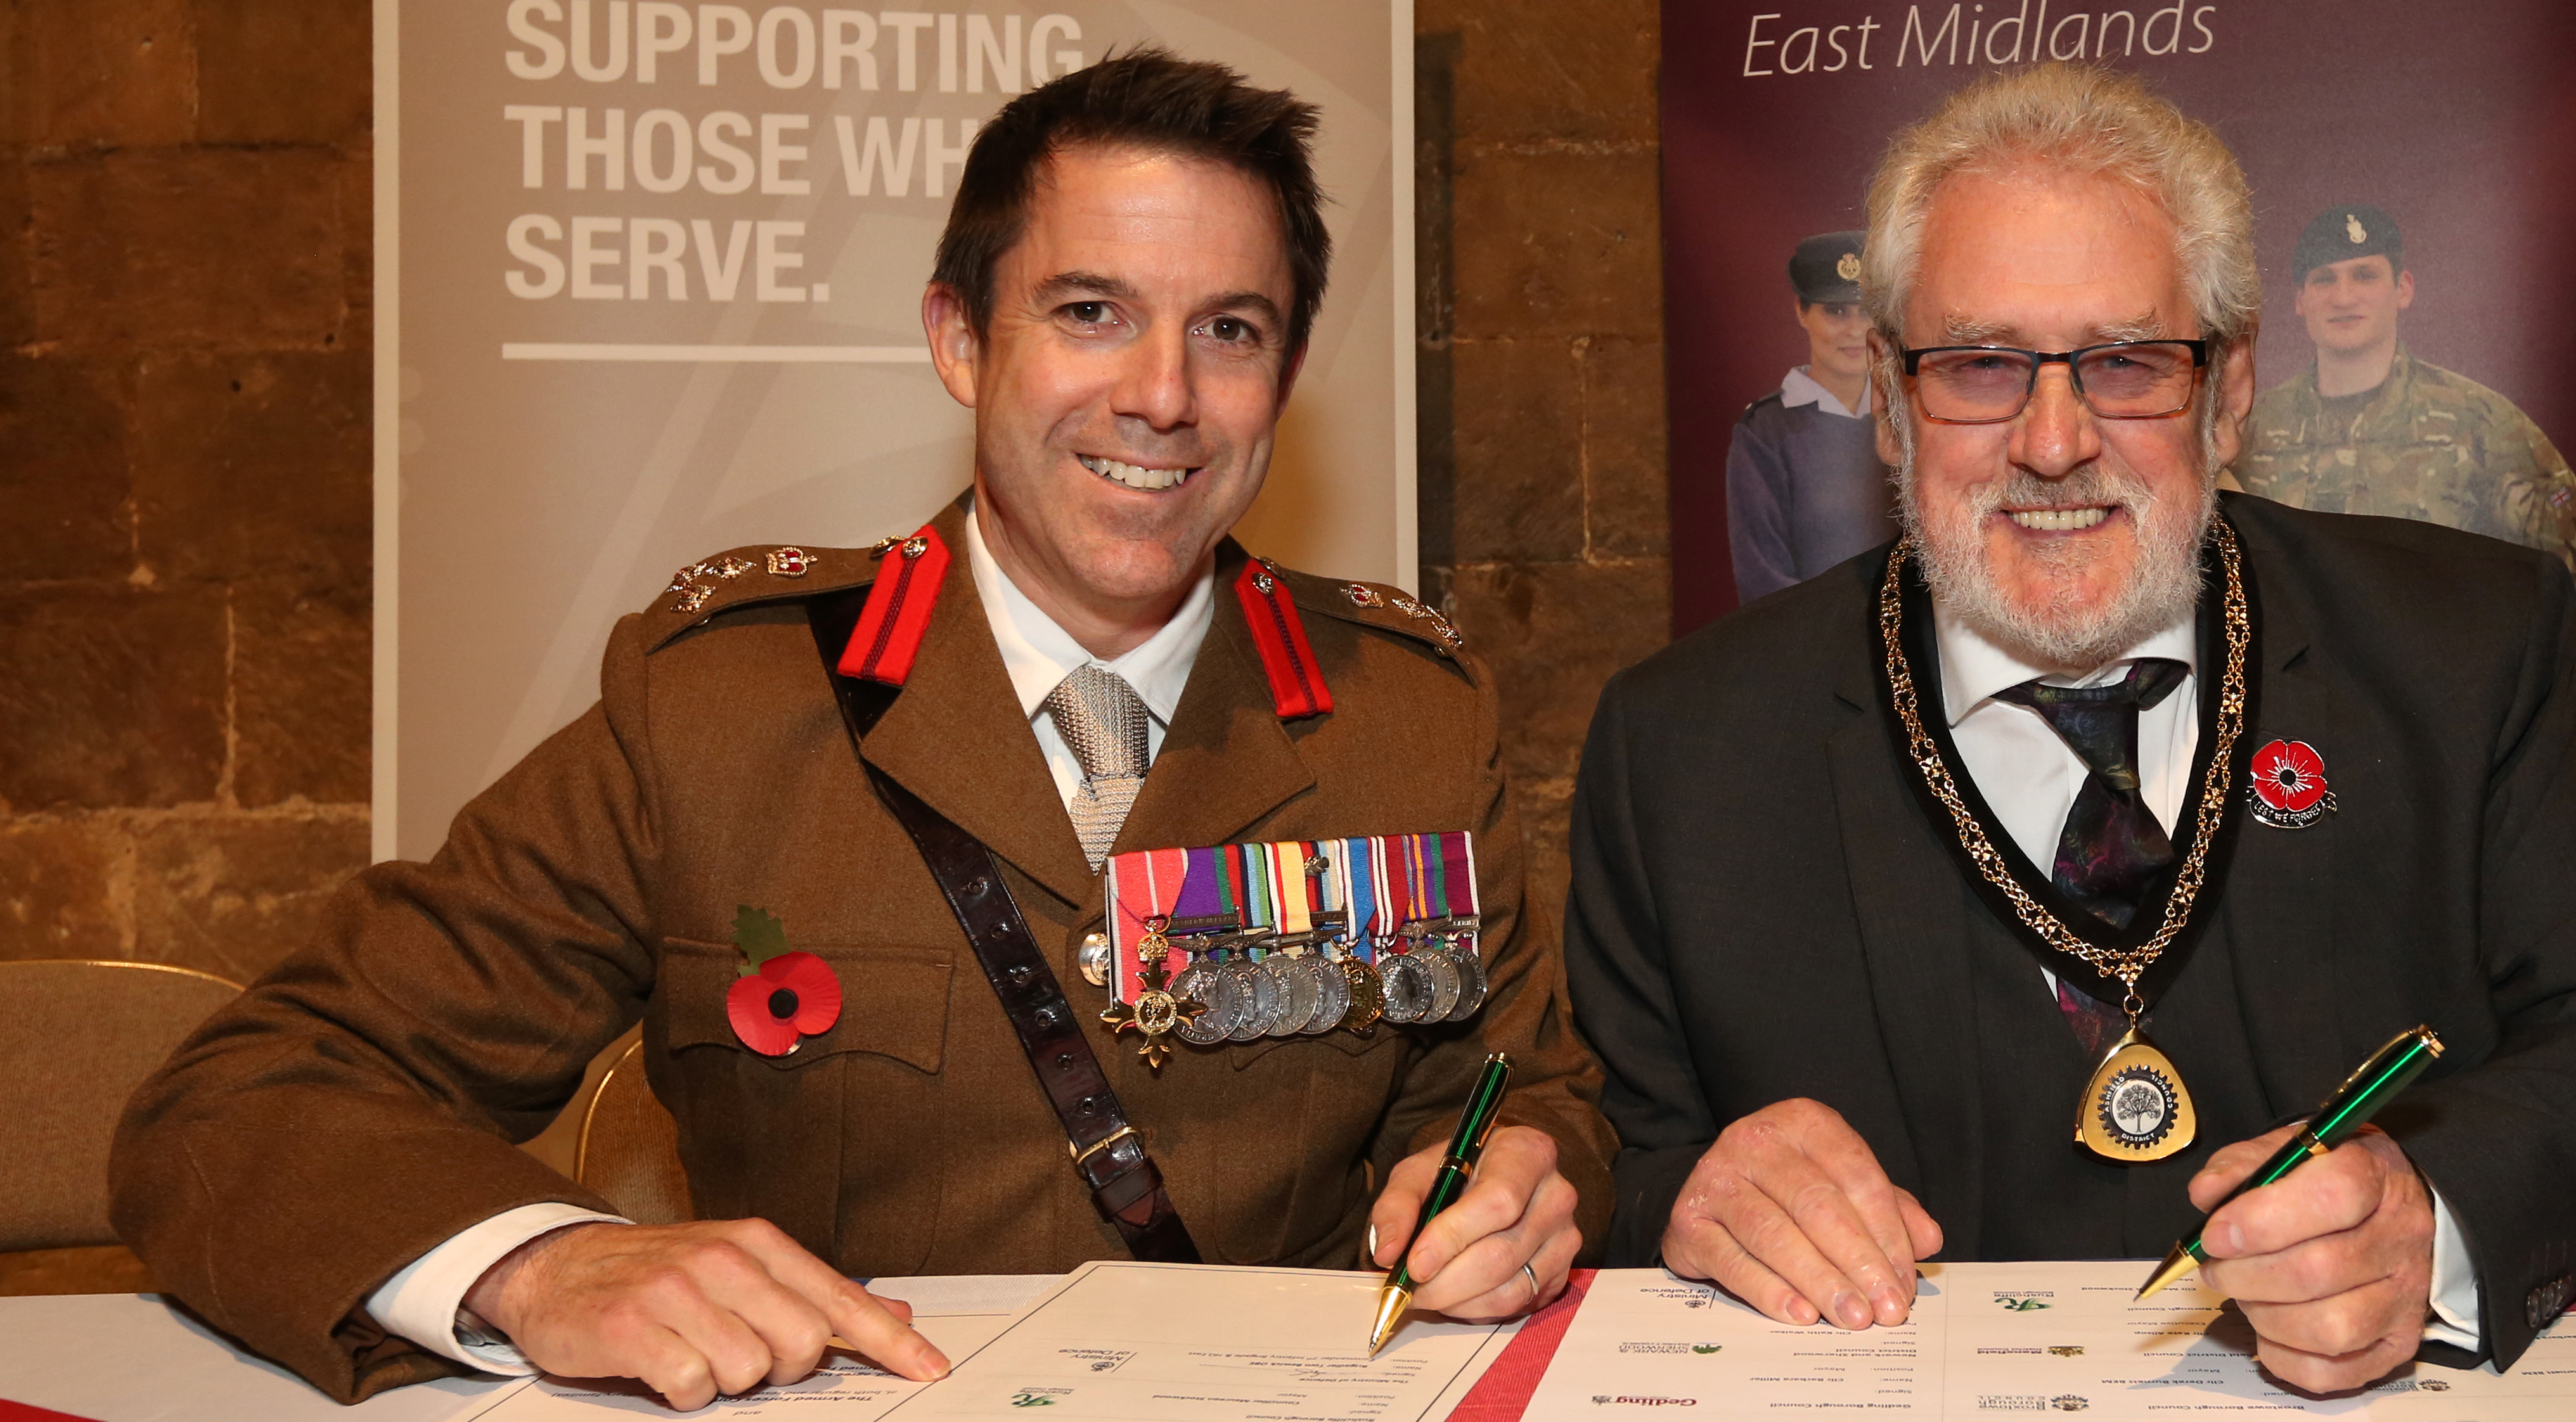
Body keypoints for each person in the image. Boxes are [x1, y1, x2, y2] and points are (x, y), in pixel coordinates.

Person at [110, 49, 1613, 1409]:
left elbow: (1520, 1089)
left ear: (1282, 377)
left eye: (1228, 329)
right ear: (960, 340)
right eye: (1090, 311)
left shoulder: (1405, 717)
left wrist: (1525, 1174)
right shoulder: (713, 712)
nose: (1162, 395)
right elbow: (246, 1095)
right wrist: (538, 1262)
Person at [1563, 65, 2576, 1394]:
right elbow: (1615, 1167)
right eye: (1977, 367)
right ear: (1891, 409)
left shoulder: (2457, 653)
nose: (2054, 441)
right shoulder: (1680, 753)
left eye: (2126, 363)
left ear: (2229, 388)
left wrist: (2429, 1213)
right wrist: (1692, 1201)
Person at [2231, 203, 2576, 625]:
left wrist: (2495, 671)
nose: (2342, 297)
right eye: (2324, 279)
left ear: (2403, 289)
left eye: (2364, 275)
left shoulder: (2476, 420)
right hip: (2285, 687)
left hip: (2428, 685)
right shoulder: (2250, 429)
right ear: (2299, 301)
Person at [1728, 231, 1900, 603]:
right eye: (1835, 311)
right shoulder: (1766, 433)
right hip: (1809, 645)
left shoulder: (1912, 419)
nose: (1854, 330)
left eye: (1865, 311)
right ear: (1801, 312)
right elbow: (1763, 578)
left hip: (1908, 645)